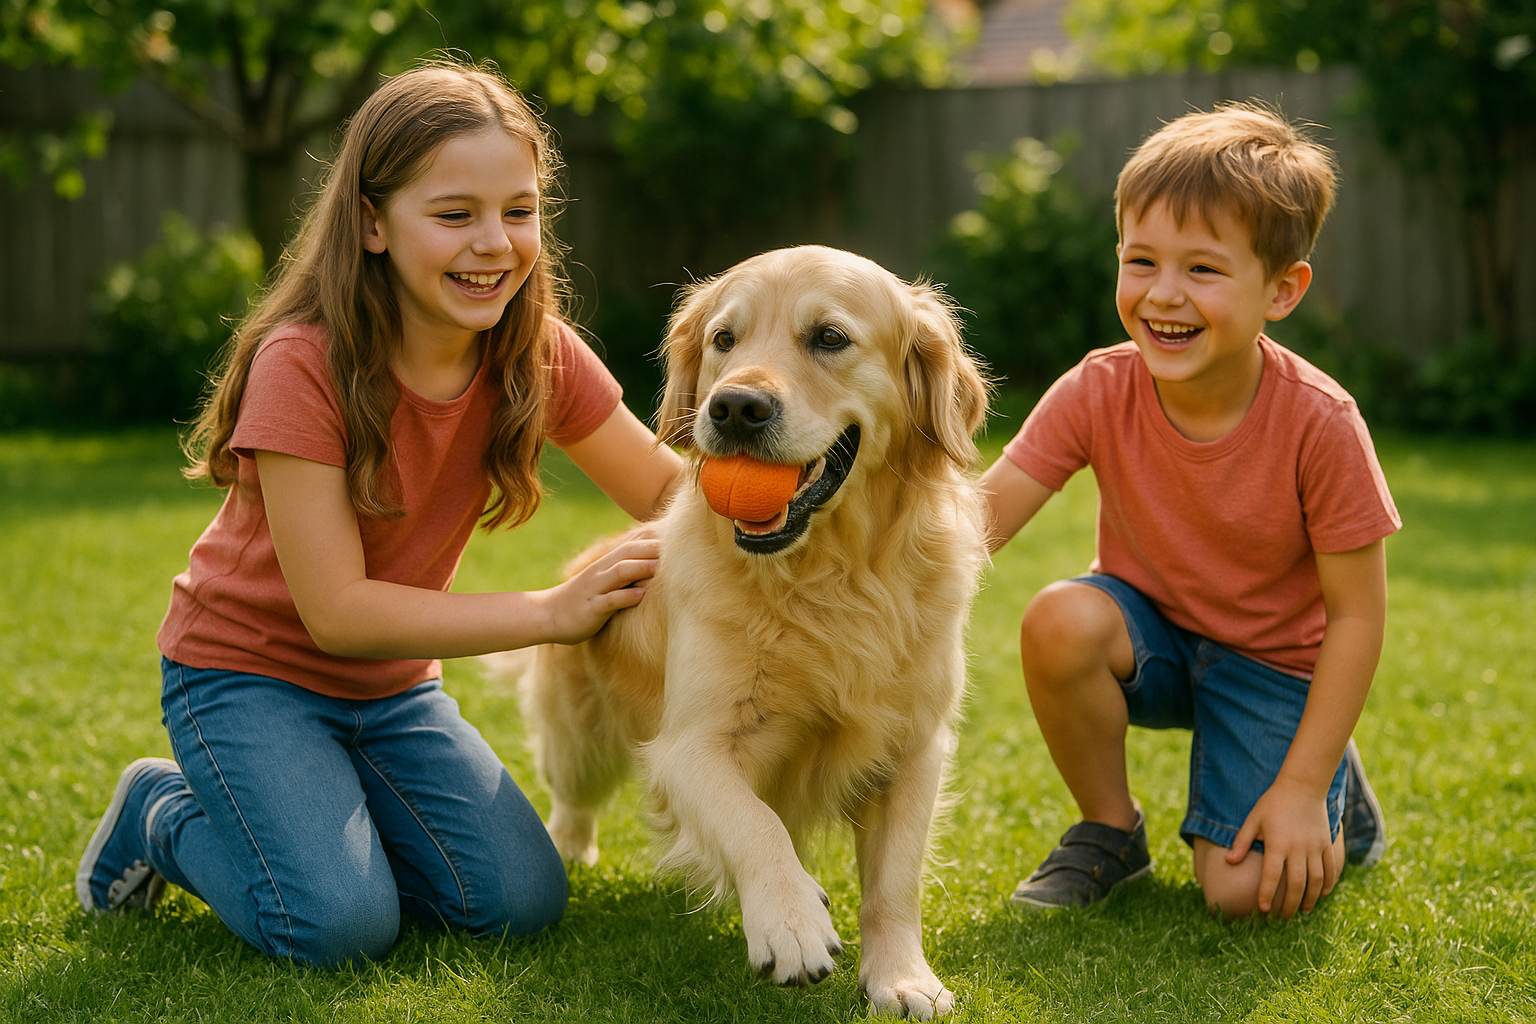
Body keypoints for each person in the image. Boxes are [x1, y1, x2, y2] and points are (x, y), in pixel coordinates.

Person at [74, 58, 684, 965]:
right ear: (370, 222)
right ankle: (160, 813)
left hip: (391, 691)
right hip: (247, 679)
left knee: (518, 902)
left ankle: (327, 811)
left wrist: (826, 495)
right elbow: (339, 612)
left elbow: (670, 495)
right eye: (454, 215)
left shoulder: (537, 353)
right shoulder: (303, 363)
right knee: (336, 926)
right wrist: (551, 614)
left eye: (518, 212)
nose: (494, 244)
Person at [980, 102, 1400, 920]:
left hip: (1273, 665)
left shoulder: (1321, 421)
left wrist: (1303, 782)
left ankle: (1335, 791)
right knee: (1060, 617)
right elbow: (974, 526)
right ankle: (1109, 831)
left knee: (1242, 895)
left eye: (1203, 270)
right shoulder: (1097, 387)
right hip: (1156, 640)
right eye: (1141, 261)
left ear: (1282, 290)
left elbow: (1356, 619)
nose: (1163, 296)